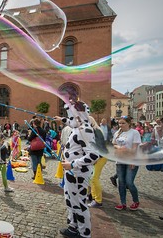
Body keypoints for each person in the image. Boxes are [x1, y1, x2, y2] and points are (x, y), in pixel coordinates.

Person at [54, 99, 99, 238]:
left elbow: (94, 155)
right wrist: (61, 119)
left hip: (78, 173)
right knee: (70, 200)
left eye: (71, 114)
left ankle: (84, 233)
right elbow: (71, 123)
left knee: (79, 203)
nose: (70, 118)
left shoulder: (84, 130)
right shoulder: (77, 126)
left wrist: (73, 164)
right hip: (71, 172)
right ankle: (73, 227)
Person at [112, 116, 141, 211]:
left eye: (123, 123)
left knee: (129, 182)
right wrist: (118, 148)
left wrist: (132, 160)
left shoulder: (134, 133)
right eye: (119, 123)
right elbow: (114, 143)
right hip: (120, 161)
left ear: (129, 123)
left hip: (131, 160)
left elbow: (135, 148)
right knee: (121, 182)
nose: (121, 125)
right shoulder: (117, 133)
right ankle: (123, 203)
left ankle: (135, 201)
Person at [88, 116, 108, 208]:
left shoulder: (97, 132)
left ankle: (98, 200)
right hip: (97, 156)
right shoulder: (94, 131)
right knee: (91, 178)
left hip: (100, 157)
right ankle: (93, 196)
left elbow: (99, 147)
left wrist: (96, 158)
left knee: (94, 178)